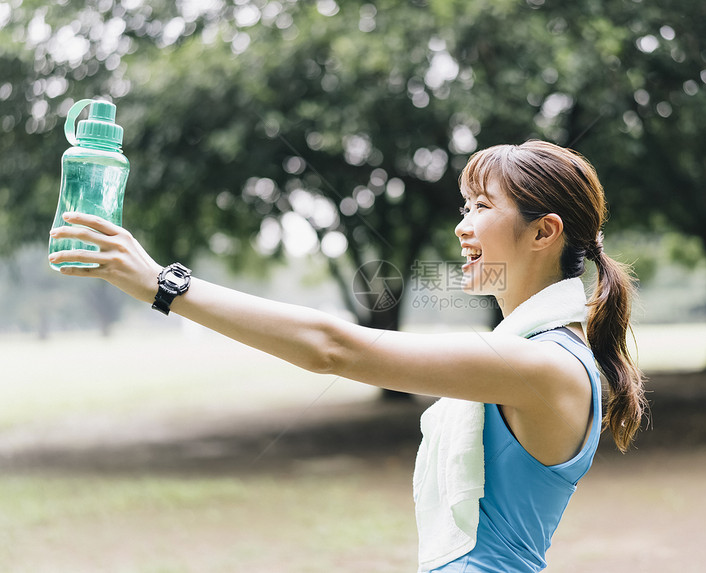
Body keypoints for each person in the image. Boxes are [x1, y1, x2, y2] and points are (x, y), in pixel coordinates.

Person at [48, 139, 646, 572]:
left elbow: (333, 349)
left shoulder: (544, 365)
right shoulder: (534, 354)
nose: (462, 228)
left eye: (482, 207)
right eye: (464, 208)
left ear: (544, 233)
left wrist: (163, 284)